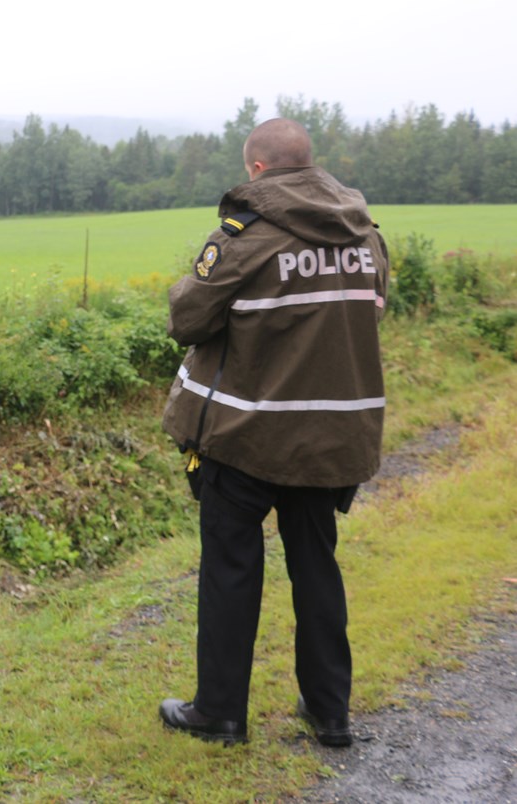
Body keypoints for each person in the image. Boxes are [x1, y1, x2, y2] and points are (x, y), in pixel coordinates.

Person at [157, 118, 388, 747]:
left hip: (244, 436)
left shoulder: (245, 236)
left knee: (232, 569)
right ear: (308, 163)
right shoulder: (365, 235)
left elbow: (187, 320)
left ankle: (220, 713)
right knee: (317, 567)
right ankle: (330, 713)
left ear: (256, 169)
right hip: (332, 438)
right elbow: (368, 315)